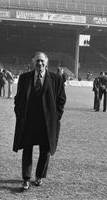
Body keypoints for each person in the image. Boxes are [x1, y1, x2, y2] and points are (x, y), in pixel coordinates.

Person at [13, 52, 66, 190]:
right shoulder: (24, 78)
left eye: (42, 61)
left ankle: (39, 177)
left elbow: (61, 99)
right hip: (29, 122)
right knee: (27, 150)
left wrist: (56, 117)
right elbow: (18, 99)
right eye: (37, 61)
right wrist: (19, 113)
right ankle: (26, 178)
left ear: (46, 62)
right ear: (33, 62)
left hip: (46, 123)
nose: (40, 64)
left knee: (45, 151)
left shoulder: (56, 79)